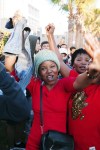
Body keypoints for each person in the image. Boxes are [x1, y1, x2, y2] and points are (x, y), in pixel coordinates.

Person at [25, 49, 99, 150]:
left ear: (58, 68)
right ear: (39, 72)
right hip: (35, 142)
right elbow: (11, 67)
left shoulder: (64, 84)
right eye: (43, 68)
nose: (49, 70)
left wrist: (90, 73)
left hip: (59, 143)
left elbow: (78, 82)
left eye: (52, 66)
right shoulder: (35, 85)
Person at [45, 23, 100, 150]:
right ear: (72, 63)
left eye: (88, 60)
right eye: (79, 59)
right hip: (71, 141)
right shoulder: (72, 76)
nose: (84, 63)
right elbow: (58, 59)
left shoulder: (98, 79)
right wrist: (50, 36)